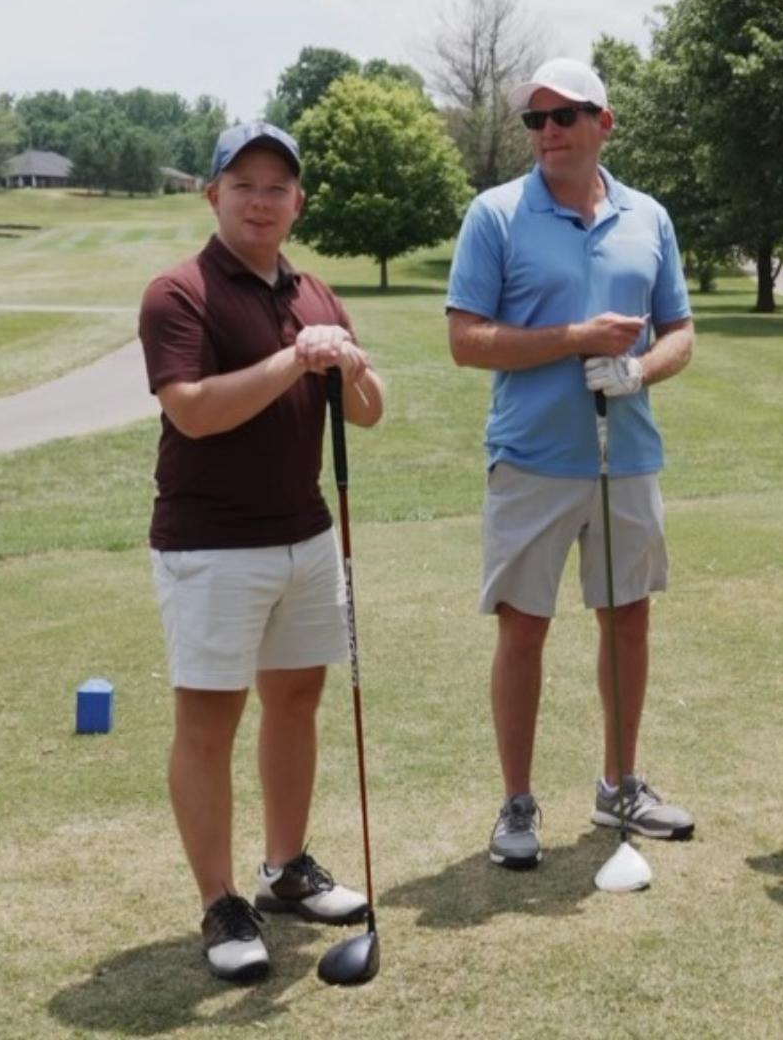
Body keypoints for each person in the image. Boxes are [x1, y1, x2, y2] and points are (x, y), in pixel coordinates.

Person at [140, 122, 388, 982]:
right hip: (211, 546)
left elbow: (368, 412)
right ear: (212, 194)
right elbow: (193, 410)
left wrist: (348, 363)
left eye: (276, 187)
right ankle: (220, 904)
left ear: (298, 202)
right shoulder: (181, 293)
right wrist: (294, 361)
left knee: (297, 701)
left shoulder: (316, 291)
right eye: (242, 184)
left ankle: (285, 869)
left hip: (306, 536)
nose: (260, 200)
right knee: (209, 723)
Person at [445, 58, 697, 871]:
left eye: (565, 116)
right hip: (532, 459)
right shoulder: (496, 215)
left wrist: (637, 370)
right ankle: (517, 803)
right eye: (535, 120)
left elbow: (680, 333)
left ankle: (619, 782)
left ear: (604, 123)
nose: (547, 132)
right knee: (524, 628)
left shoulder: (647, 217)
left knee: (628, 620)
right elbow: (465, 339)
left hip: (626, 457)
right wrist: (574, 340)